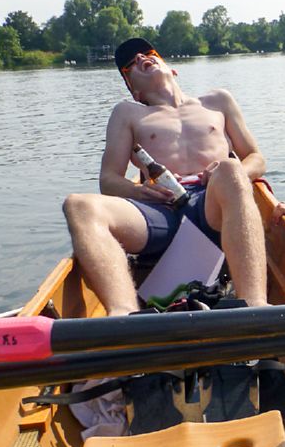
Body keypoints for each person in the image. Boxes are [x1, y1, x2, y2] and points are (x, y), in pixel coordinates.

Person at [62, 38, 268, 315]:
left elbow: (256, 158)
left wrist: (227, 172)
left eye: (148, 53)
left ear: (172, 69)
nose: (140, 58)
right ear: (134, 90)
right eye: (131, 64)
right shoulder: (128, 113)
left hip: (214, 203)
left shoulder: (218, 101)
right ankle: (124, 316)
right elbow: (109, 180)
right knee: (78, 205)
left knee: (231, 168)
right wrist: (138, 191)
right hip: (159, 210)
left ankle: (254, 307)